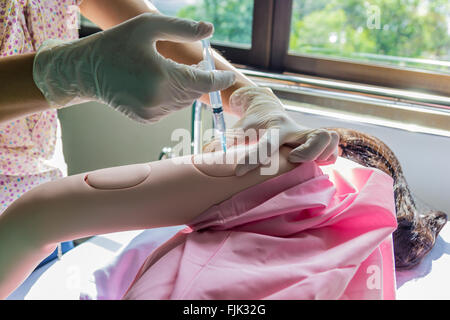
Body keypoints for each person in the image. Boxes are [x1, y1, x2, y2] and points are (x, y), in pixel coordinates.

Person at [0, 1, 338, 268]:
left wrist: (252, 97)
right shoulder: (43, 214)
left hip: (41, 191)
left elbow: (153, 33)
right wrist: (70, 71)